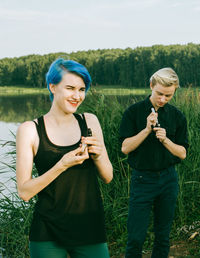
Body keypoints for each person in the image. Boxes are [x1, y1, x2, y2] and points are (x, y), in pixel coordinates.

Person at [16, 58, 113, 258]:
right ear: (52, 87)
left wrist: (99, 153)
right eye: (70, 88)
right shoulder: (30, 130)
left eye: (81, 89)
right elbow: (24, 192)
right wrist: (61, 165)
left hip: (90, 227)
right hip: (47, 232)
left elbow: (108, 176)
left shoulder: (89, 121)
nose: (77, 96)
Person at [119, 67, 189, 258]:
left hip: (168, 179)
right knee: (135, 236)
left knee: (163, 236)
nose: (163, 99)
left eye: (168, 95)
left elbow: (182, 153)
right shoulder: (133, 112)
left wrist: (166, 140)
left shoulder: (177, 116)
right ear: (151, 86)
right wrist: (146, 130)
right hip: (142, 180)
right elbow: (125, 148)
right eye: (159, 93)